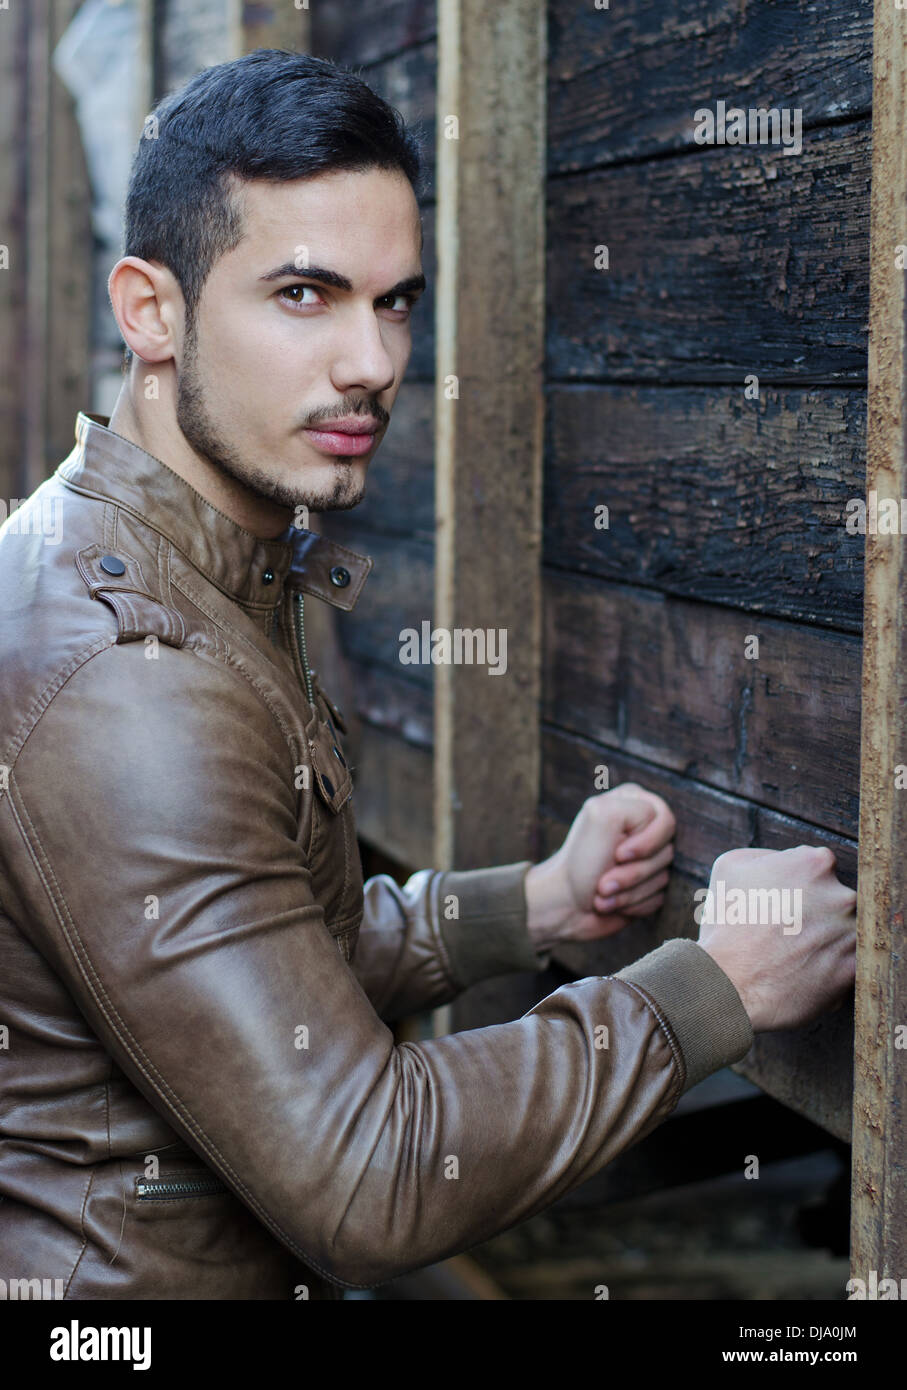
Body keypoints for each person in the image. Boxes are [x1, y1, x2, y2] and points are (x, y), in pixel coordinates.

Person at [0, 49, 856, 1300]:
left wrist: (536, 905)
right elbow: (368, 1173)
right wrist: (711, 987)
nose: (371, 362)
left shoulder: (193, 555)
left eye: (395, 301)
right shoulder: (127, 678)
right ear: (152, 310)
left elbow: (262, 951)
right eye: (304, 293)